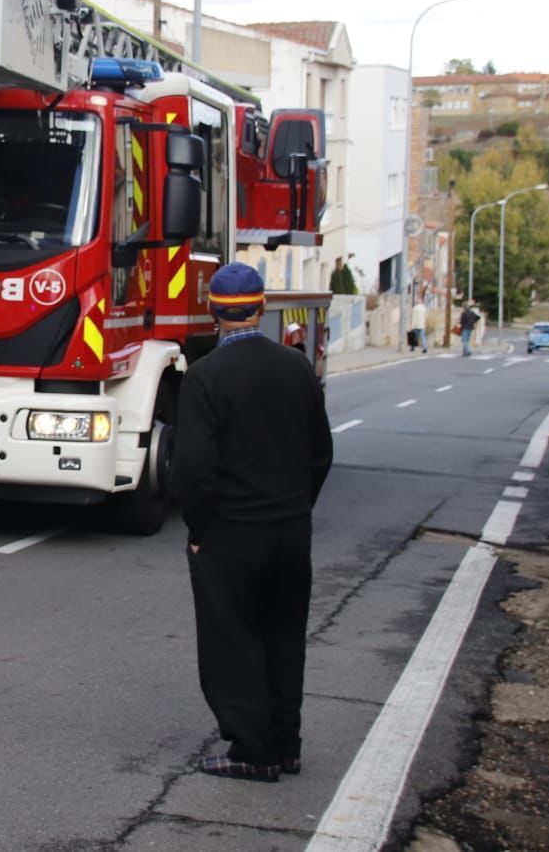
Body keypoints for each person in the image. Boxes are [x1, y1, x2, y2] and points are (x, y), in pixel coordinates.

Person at [176, 262, 335, 782]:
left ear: (212, 312)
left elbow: (194, 469)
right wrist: (297, 508)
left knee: (234, 640)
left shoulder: (203, 378)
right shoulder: (296, 368)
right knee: (284, 637)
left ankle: (252, 750)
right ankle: (286, 745)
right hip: (291, 529)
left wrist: (199, 534)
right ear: (262, 308)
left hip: (231, 532)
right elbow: (321, 453)